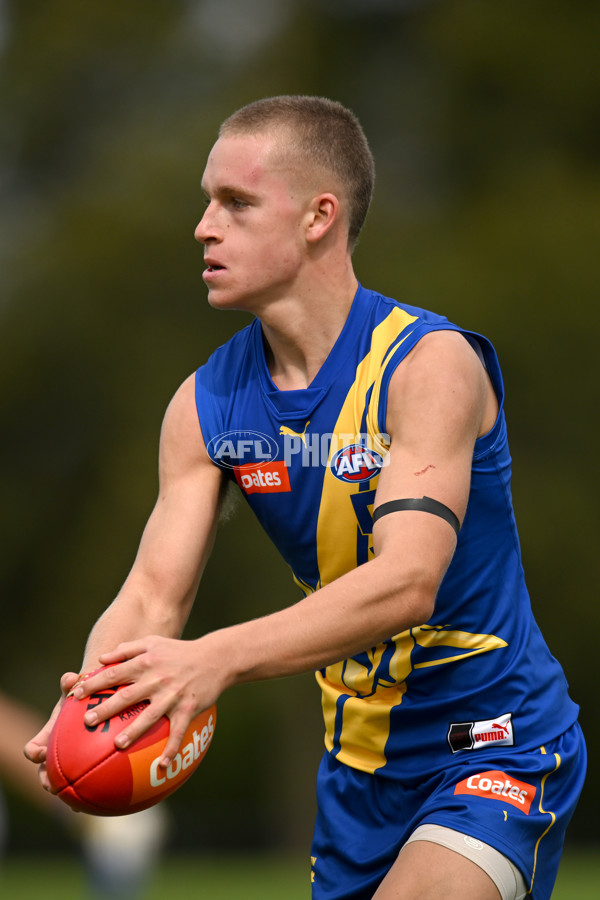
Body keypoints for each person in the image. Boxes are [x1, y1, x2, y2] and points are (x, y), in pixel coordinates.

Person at [25, 95, 584, 900]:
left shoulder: (429, 367)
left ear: (320, 216)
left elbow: (407, 580)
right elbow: (151, 595)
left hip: (493, 746)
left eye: (237, 204)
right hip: (355, 777)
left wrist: (214, 660)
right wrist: (93, 700)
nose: (204, 227)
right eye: (207, 201)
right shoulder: (204, 405)